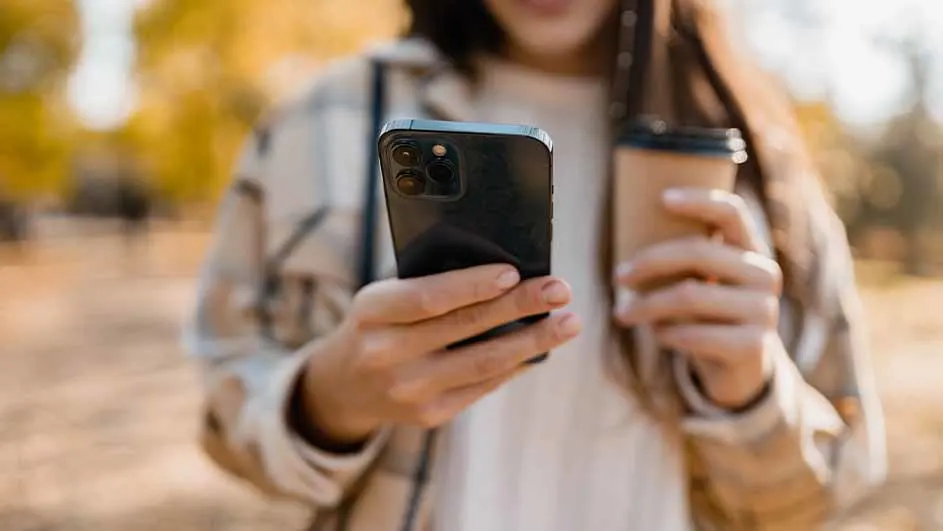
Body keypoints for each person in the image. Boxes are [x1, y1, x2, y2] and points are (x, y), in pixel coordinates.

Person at [184, 0, 887, 529]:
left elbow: (831, 486)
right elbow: (224, 417)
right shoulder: (320, 120)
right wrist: (329, 399)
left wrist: (747, 389)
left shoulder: (757, 153)